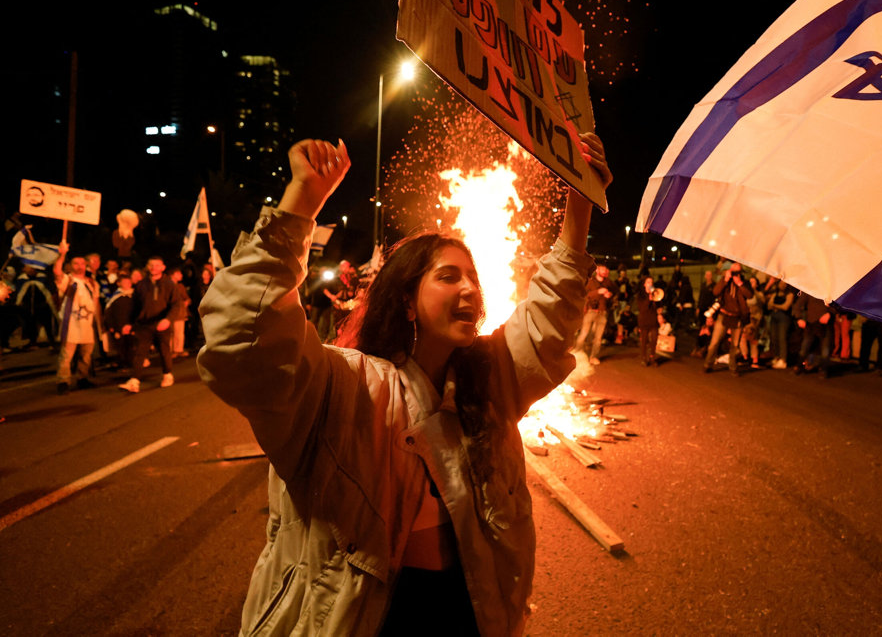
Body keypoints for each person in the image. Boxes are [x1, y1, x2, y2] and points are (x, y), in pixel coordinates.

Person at [198, 134, 611, 636]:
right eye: (447, 277)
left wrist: (579, 204)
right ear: (407, 302)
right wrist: (302, 200)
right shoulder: (344, 386)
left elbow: (547, 322)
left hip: (469, 615)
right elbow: (244, 336)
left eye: (473, 279)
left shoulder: (485, 390)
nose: (469, 289)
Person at [119, 256, 184, 393]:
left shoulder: (169, 284)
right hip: (144, 325)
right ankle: (134, 381)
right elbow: (134, 307)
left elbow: (176, 304)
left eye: (157, 265)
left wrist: (168, 319)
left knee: (164, 350)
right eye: (151, 265)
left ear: (163, 267)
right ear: (147, 267)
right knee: (139, 352)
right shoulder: (141, 285)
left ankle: (167, 374)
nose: (154, 267)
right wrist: (128, 323)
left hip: (162, 323)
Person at [53, 242, 103, 394]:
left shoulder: (92, 283)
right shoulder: (68, 280)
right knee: (66, 356)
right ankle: (63, 381)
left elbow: (96, 304)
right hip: (71, 325)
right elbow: (57, 272)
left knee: (86, 355)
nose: (80, 266)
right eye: (76, 263)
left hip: (87, 325)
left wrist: (100, 325)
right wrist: (62, 255)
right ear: (70, 265)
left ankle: (82, 378)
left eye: (82, 263)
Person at [703, 262, 752, 376]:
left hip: (737, 317)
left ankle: (733, 367)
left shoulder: (744, 282)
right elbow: (715, 292)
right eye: (733, 270)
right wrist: (725, 279)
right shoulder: (725, 280)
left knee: (735, 345)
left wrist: (739, 283)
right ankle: (707, 364)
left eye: (737, 271)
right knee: (714, 342)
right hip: (724, 314)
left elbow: (749, 295)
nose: (735, 273)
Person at [574, 263, 612, 364]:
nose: (604, 271)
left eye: (605, 269)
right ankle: (576, 353)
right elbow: (584, 295)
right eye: (602, 269)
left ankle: (593, 357)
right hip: (591, 311)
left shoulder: (608, 282)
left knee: (598, 338)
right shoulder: (590, 282)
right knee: (584, 334)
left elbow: (614, 292)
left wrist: (609, 295)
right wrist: (598, 292)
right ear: (597, 271)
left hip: (602, 312)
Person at [635, 276, 660, 366]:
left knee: (654, 339)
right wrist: (649, 299)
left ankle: (652, 357)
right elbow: (643, 309)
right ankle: (644, 357)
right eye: (648, 282)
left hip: (653, 320)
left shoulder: (655, 294)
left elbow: (659, 306)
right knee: (644, 340)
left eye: (651, 282)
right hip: (644, 320)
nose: (650, 284)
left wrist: (655, 300)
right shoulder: (640, 295)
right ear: (644, 284)